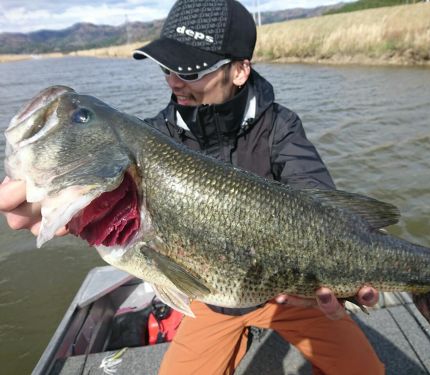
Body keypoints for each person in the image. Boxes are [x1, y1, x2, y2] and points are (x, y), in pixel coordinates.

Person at [0, 0, 384, 373]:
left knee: (365, 370)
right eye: (166, 66)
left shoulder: (280, 126)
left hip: (291, 295)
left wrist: (344, 267)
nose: (173, 80)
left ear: (239, 70)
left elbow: (318, 197)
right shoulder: (151, 136)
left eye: (190, 70)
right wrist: (52, 202)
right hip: (207, 297)